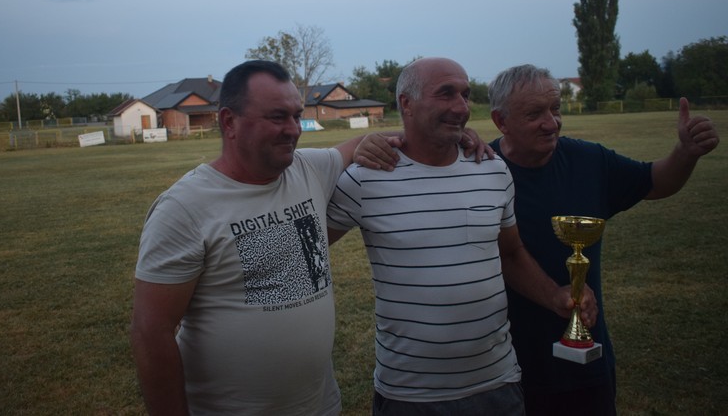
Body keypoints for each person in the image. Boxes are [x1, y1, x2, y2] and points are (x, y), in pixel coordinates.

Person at [130, 60, 402, 415]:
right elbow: (151, 332)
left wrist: (456, 137)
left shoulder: (308, 169)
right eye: (277, 117)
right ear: (229, 122)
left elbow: (361, 144)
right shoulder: (184, 207)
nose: (293, 130)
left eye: (296, 116)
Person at [327, 58, 594, 415]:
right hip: (410, 394)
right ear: (406, 103)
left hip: (498, 385)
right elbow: (311, 247)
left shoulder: (492, 169)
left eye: (465, 95)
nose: (462, 107)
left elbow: (510, 253)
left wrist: (556, 296)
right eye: (446, 94)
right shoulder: (367, 176)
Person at [487, 64, 720, 416]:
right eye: (535, 114)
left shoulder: (589, 161)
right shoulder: (481, 172)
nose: (552, 123)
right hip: (505, 364)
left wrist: (685, 153)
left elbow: (656, 181)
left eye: (556, 108)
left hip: (585, 361)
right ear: (501, 121)